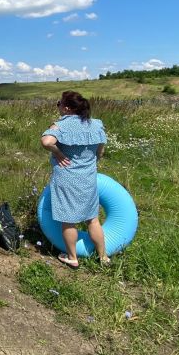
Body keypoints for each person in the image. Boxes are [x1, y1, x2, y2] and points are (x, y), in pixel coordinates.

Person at [40, 90, 108, 269]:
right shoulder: (95, 124)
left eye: (59, 103)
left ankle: (72, 257)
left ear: (67, 108)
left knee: (68, 220)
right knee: (92, 219)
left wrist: (59, 153)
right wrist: (93, 161)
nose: (58, 106)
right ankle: (103, 257)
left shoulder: (61, 125)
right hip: (88, 177)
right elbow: (100, 150)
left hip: (67, 177)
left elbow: (47, 142)